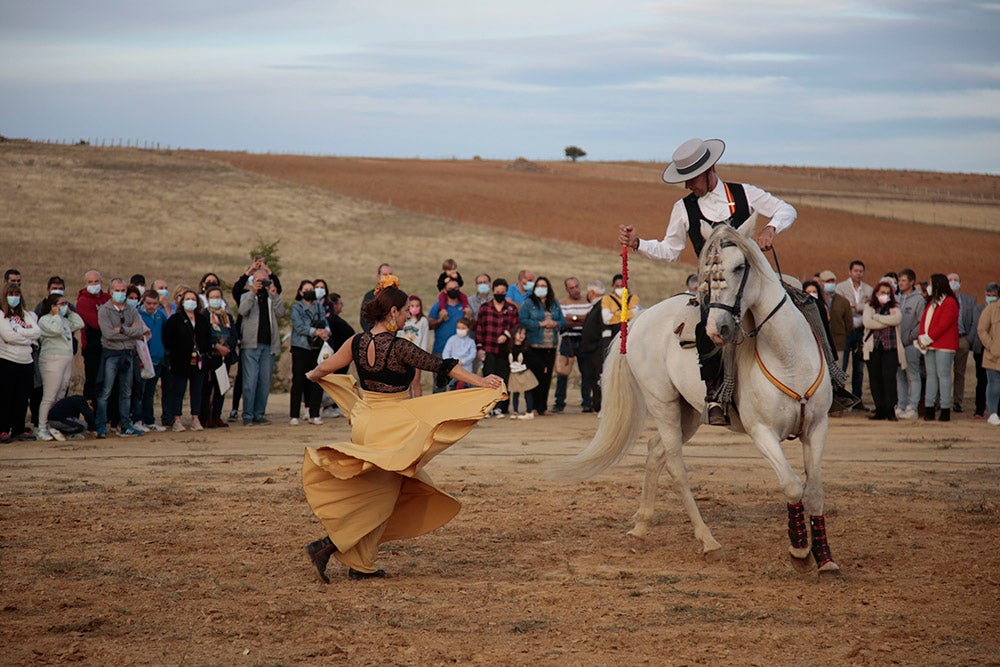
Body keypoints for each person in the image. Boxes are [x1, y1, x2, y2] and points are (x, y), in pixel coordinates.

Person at [300, 277, 504, 581]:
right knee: (383, 497)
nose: (409, 315)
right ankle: (326, 546)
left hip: (366, 421)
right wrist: (482, 382)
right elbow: (443, 365)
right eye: (406, 310)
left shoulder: (355, 341)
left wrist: (313, 375)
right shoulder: (399, 347)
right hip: (392, 425)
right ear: (393, 312)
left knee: (378, 491)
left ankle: (360, 564)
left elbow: (325, 368)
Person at [618, 137, 798, 426]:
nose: (688, 185)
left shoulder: (744, 193)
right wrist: (639, 243)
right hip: (714, 288)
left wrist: (771, 228)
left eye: (691, 178)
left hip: (754, 281)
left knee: (806, 303)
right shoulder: (683, 208)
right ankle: (715, 395)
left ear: (710, 168)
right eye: (684, 180)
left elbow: (786, 209)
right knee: (707, 328)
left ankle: (831, 380)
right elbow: (670, 250)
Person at [95, 278, 146, 438]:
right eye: (117, 290)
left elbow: (140, 330)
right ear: (110, 292)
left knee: (126, 392)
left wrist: (122, 330)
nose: (121, 293)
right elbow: (108, 334)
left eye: (123, 290)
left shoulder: (132, 310)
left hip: (128, 354)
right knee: (106, 391)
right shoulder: (104, 310)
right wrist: (130, 331)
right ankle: (101, 425)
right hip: (111, 354)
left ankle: (125, 425)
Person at [238, 269, 285, 426]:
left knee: (264, 382)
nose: (261, 283)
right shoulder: (247, 295)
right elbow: (242, 310)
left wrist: (275, 294)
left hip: (269, 346)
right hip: (250, 345)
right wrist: (253, 292)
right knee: (250, 381)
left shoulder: (271, 297)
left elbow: (281, 313)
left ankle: (259, 414)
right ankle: (247, 415)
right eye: (258, 280)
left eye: (264, 280)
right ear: (252, 281)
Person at [36, 293, 84, 440]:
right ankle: (42, 427)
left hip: (66, 359)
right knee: (50, 395)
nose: (65, 306)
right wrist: (56, 315)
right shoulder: (44, 320)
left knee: (61, 393)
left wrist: (69, 312)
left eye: (66, 303)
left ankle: (55, 424)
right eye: (62, 304)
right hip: (51, 360)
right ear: (53, 306)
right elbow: (55, 330)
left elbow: (79, 323)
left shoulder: (64, 319)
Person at [163, 289, 212, 432]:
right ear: (182, 302)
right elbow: (168, 339)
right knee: (178, 390)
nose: (190, 302)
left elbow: (207, 339)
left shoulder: (202, 320)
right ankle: (177, 419)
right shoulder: (175, 319)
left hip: (199, 361)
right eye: (187, 299)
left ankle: (195, 418)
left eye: (193, 299)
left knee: (197, 390)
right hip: (180, 360)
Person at [1, 283, 42, 442]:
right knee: (5, 397)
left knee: (22, 398)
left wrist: (21, 332)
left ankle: (18, 429)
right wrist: (28, 339)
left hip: (26, 361)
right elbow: (8, 336)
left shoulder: (26, 314)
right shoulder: (1, 315)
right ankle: (3, 429)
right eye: (11, 294)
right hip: (7, 360)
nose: (14, 297)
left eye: (17, 294)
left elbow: (37, 332)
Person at [519, 276, 565, 416]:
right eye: (538, 285)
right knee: (535, 377)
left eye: (544, 286)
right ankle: (532, 407)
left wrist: (555, 324)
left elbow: (562, 321)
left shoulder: (554, 303)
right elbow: (523, 320)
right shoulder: (528, 303)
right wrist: (540, 324)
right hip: (534, 346)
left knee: (547, 377)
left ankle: (543, 407)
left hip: (551, 346)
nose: (541, 288)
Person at [916, 274, 960, 422]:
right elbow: (924, 321)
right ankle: (929, 408)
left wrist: (927, 338)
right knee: (931, 376)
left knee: (943, 375)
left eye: (931, 283)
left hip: (944, 345)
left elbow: (944, 325)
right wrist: (922, 337)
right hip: (930, 344)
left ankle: (945, 408)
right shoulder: (932, 302)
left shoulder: (950, 302)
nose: (928, 286)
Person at [476, 278, 520, 416]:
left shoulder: (511, 309)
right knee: (489, 378)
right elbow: (479, 328)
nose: (500, 293)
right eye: (497, 291)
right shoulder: (484, 308)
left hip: (505, 350)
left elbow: (515, 327)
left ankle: (501, 407)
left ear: (506, 292)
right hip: (488, 348)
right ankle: (488, 406)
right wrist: (479, 347)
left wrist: (506, 335)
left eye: (503, 292)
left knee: (503, 378)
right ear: (493, 291)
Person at [862, 282, 906, 421]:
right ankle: (880, 409)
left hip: (890, 349)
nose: (884, 295)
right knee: (875, 380)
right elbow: (868, 323)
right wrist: (887, 321)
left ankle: (890, 410)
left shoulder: (894, 307)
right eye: (882, 292)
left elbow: (897, 319)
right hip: (873, 348)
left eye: (887, 293)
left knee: (889, 379)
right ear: (876, 293)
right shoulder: (869, 306)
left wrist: (877, 318)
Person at [290, 280, 330, 425]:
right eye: (306, 289)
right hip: (301, 347)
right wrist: (316, 332)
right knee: (298, 381)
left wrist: (326, 332)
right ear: (301, 292)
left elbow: (325, 322)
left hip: (316, 348)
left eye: (311, 289)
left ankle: (315, 414)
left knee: (316, 380)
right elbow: (299, 327)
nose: (309, 291)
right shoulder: (296, 307)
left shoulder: (319, 307)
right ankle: (294, 415)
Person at [836, 260, 874, 409]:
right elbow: (841, 308)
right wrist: (859, 308)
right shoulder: (841, 288)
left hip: (862, 332)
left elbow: (870, 308)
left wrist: (855, 306)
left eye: (861, 271)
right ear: (849, 272)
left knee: (859, 368)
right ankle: (841, 401)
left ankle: (857, 401)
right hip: (846, 331)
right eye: (856, 271)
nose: (858, 274)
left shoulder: (869, 289)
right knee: (842, 366)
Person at [553, 276, 592, 413]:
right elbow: (563, 322)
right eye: (571, 288)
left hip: (583, 340)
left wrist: (573, 319)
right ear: (567, 289)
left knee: (586, 372)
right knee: (562, 372)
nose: (575, 290)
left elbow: (589, 321)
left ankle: (587, 402)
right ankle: (559, 402)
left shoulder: (588, 302)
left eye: (577, 286)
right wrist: (580, 320)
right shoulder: (562, 303)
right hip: (568, 340)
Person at [201, 285, 238, 428]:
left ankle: (216, 415)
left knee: (221, 387)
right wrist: (216, 346)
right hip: (211, 355)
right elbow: (204, 335)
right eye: (212, 297)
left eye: (218, 297)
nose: (215, 300)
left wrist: (228, 347)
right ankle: (206, 416)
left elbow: (234, 334)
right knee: (208, 387)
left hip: (224, 357)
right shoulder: (204, 315)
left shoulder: (226, 316)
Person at [427, 277, 473, 390]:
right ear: (445, 290)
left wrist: (469, 317)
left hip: (459, 353)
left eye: (456, 288)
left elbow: (473, 326)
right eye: (451, 288)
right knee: (439, 385)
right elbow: (429, 324)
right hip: (440, 349)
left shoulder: (465, 307)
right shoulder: (438, 306)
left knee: (457, 385)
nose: (454, 290)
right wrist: (439, 320)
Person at [135, 290, 169, 431]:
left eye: (155, 303)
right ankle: (138, 419)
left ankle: (149, 420)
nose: (151, 306)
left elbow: (166, 335)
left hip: (157, 359)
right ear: (143, 301)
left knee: (150, 392)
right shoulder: (137, 315)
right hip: (143, 359)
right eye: (149, 303)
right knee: (139, 392)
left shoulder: (161, 315)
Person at [76, 269, 110, 405]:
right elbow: (96, 323)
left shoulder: (107, 298)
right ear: (85, 283)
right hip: (92, 347)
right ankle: (92, 415)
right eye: (90, 282)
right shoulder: (83, 301)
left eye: (96, 281)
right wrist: (112, 325)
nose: (94, 284)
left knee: (106, 382)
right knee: (93, 381)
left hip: (108, 345)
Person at [895, 269, 924, 419]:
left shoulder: (918, 300)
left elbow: (921, 322)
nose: (900, 283)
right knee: (900, 376)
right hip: (897, 345)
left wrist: (910, 337)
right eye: (899, 280)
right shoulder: (896, 298)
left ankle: (912, 407)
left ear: (912, 282)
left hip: (911, 344)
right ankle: (900, 405)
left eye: (904, 280)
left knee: (913, 375)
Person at [948, 272, 976, 413]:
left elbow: (973, 321)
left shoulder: (969, 300)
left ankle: (958, 402)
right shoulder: (942, 300)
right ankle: (941, 401)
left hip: (962, 339)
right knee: (943, 372)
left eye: (955, 280)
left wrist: (969, 339)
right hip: (946, 340)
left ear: (960, 283)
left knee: (960, 373)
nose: (953, 282)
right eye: (950, 280)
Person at [579, 280, 607, 414]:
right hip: (592, 350)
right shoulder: (596, 306)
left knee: (599, 379)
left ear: (591, 293)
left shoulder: (602, 306)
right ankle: (598, 404)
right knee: (594, 378)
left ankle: (601, 406)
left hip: (597, 350)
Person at [976, 282, 1000, 425]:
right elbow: (981, 329)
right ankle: (993, 413)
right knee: (994, 384)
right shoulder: (992, 309)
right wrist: (992, 346)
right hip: (993, 355)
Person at [399, 295, 430, 397]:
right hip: (404, 354)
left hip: (417, 355)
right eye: (412, 305)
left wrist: (423, 355)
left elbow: (424, 338)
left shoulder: (423, 321)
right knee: (406, 382)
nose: (415, 308)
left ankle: (418, 403)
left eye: (417, 306)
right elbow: (399, 335)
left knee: (415, 380)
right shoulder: (403, 319)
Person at [505, 324, 538, 419]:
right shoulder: (509, 347)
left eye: (524, 333)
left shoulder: (526, 348)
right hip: (514, 373)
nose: (521, 335)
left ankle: (529, 411)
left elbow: (533, 359)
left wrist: (542, 366)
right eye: (519, 333)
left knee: (528, 392)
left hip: (525, 372)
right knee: (515, 392)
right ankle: (515, 411)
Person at [442, 317, 477, 389]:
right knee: (453, 389)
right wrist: (450, 362)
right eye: (458, 328)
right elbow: (446, 353)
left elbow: (472, 354)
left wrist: (463, 362)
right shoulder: (451, 339)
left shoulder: (471, 342)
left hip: (466, 371)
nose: (460, 330)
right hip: (453, 370)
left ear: (468, 329)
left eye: (463, 328)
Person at [359, 263, 393, 332]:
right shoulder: (370, 296)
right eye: (385, 274)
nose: (388, 277)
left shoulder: (398, 295)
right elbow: (364, 317)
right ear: (378, 276)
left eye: (390, 274)